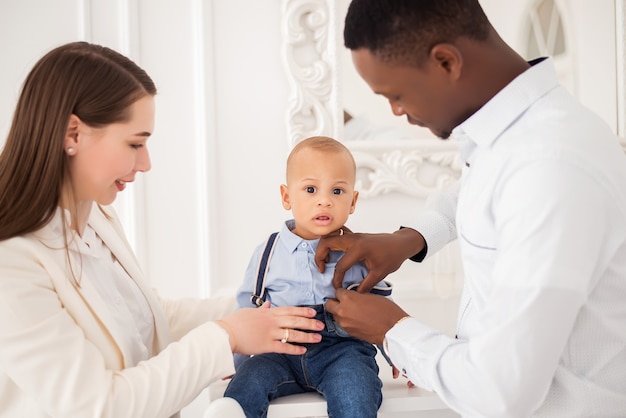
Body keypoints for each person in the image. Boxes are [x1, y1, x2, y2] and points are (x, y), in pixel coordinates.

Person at [318, 1, 626, 417]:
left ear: (445, 61)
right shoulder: (515, 138)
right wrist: (409, 239)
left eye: (396, 95)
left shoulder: (552, 165)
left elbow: (503, 391)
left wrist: (392, 330)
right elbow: (476, 192)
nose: (397, 111)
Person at [0, 41, 325, 418]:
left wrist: (270, 298)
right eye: (135, 143)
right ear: (73, 134)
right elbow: (99, 406)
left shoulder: (95, 217)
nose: (146, 162)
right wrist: (228, 335)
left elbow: (148, 320)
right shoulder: (12, 263)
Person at [223, 136, 392, 418]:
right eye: (311, 189)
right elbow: (248, 308)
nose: (324, 201)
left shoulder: (359, 253)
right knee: (243, 390)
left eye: (337, 191)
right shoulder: (268, 252)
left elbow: (381, 312)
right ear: (287, 196)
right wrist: (234, 361)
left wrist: (401, 356)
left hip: (343, 351)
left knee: (356, 394)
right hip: (279, 351)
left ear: (353, 201)